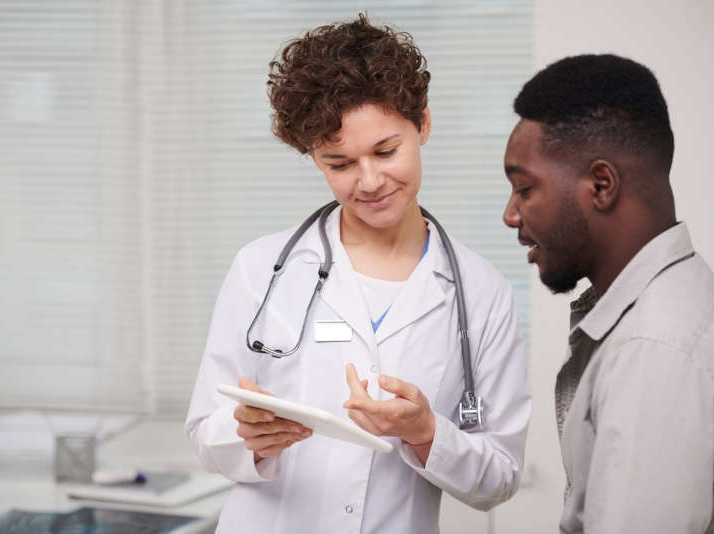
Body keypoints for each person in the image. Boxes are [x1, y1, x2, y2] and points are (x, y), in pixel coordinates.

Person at [185, 14, 530, 534]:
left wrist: (427, 431)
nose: (369, 181)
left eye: (386, 151)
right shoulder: (261, 269)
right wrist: (247, 437)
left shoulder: (481, 294)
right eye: (339, 163)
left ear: (424, 125)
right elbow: (204, 433)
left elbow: (498, 479)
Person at [502, 53, 714, 533]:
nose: (511, 215)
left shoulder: (655, 351)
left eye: (524, 189)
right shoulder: (676, 311)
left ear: (601, 185)